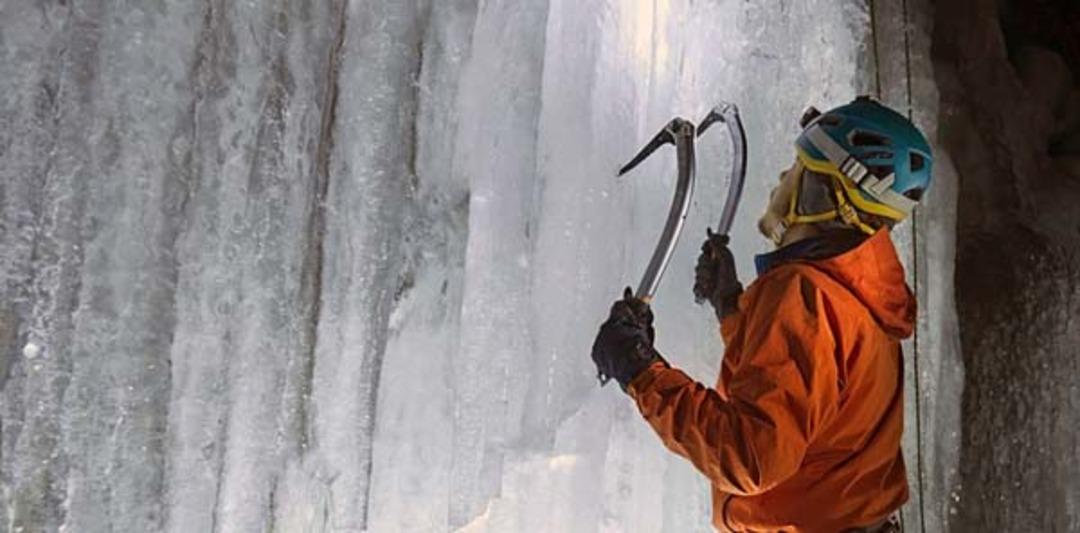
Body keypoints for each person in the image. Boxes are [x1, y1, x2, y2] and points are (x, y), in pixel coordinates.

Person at [591, 96, 932, 533]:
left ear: (827, 194)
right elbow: (805, 386)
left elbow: (752, 455)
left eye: (800, 168)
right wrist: (732, 307)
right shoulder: (858, 293)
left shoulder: (805, 293)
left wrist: (641, 371)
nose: (784, 177)